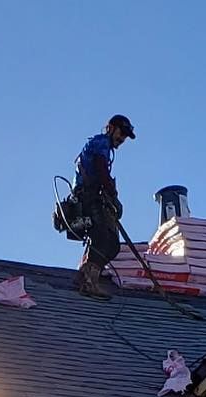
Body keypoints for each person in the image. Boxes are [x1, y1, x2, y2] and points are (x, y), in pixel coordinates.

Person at [72, 115, 135, 297]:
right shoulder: (101, 144)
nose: (122, 139)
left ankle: (86, 275)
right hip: (88, 197)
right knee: (104, 239)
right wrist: (112, 195)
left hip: (89, 196)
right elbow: (100, 169)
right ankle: (88, 281)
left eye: (125, 136)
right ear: (110, 128)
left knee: (110, 243)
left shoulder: (101, 145)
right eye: (121, 133)